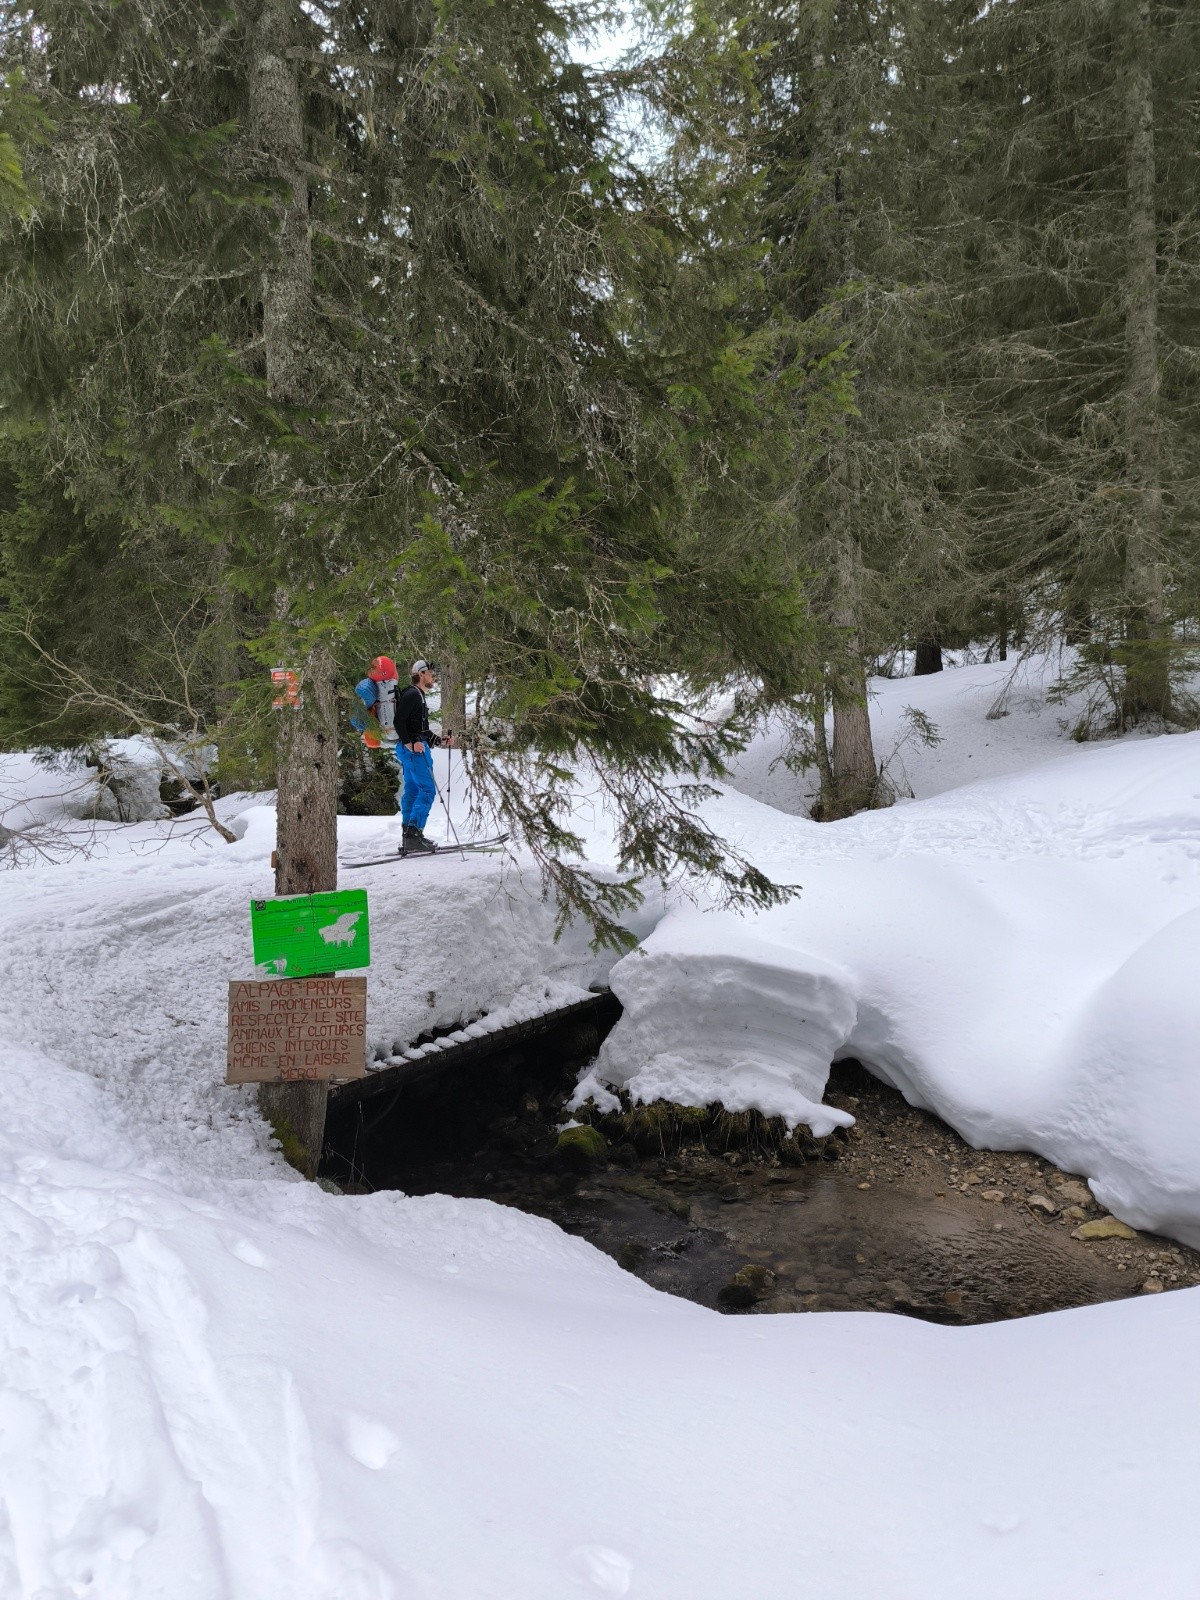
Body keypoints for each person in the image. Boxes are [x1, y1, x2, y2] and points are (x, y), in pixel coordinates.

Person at [395, 659, 455, 853]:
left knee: (413, 790)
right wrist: (410, 743)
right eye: (430, 673)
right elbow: (399, 721)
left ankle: (408, 836)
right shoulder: (413, 694)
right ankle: (413, 835)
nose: (433, 677)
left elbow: (422, 730)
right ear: (420, 674)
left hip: (412, 749)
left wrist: (440, 740)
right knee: (427, 790)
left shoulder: (417, 695)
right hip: (414, 751)